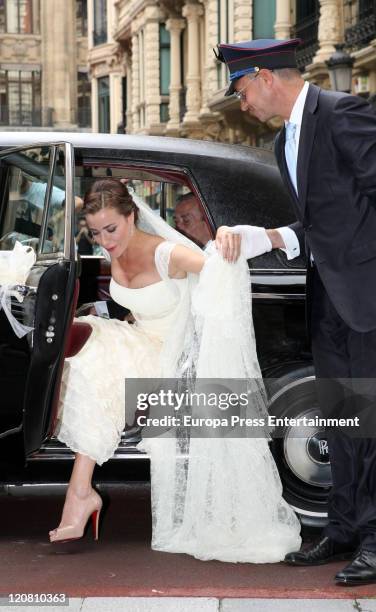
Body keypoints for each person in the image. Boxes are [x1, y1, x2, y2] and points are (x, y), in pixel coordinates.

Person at [49, 177, 301, 562]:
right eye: (96, 233)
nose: (105, 241)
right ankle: (80, 492)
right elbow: (142, 305)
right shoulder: (113, 250)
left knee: (95, 360)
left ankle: (80, 495)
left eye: (112, 229)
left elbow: (221, 271)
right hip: (139, 339)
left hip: (170, 355)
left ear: (132, 216)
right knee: (80, 351)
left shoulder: (169, 254)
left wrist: (228, 238)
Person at [215, 38, 376, 584]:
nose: (242, 105)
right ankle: (344, 528)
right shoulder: (287, 137)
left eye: (241, 90)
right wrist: (269, 236)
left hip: (367, 299)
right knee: (342, 420)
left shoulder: (342, 112)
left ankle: (374, 541)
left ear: (264, 77)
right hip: (329, 300)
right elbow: (326, 221)